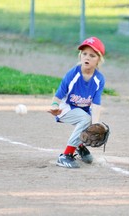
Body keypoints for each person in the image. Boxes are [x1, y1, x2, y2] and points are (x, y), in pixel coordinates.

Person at [48, 36, 106, 169]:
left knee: (91, 121)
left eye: (92, 55)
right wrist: (54, 106)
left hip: (83, 109)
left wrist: (95, 123)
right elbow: (59, 93)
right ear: (80, 56)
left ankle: (80, 146)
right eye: (84, 54)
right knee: (86, 119)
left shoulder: (99, 79)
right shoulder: (73, 74)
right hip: (65, 107)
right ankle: (65, 156)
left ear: (98, 60)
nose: (87, 57)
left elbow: (96, 104)